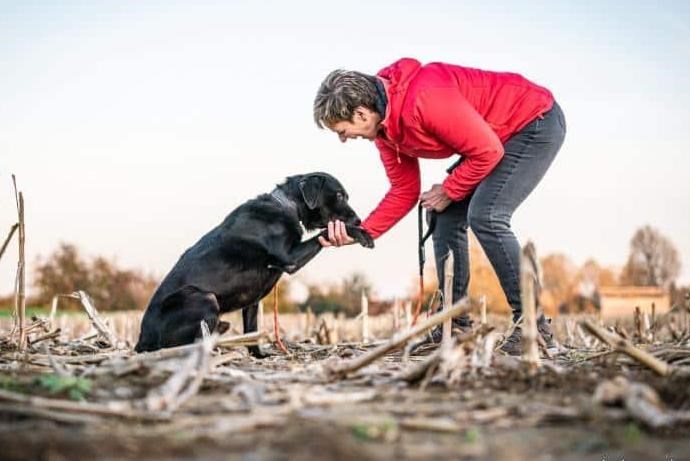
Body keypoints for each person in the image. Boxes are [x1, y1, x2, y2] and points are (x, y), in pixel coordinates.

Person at [313, 58, 566, 354]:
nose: (344, 139)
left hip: (533, 121)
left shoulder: (424, 97)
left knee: (487, 214)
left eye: (342, 131)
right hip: (495, 138)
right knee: (443, 214)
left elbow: (487, 152)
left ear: (360, 113)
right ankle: (454, 325)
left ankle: (534, 328)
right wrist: (360, 232)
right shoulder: (384, 131)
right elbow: (403, 191)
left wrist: (448, 189)